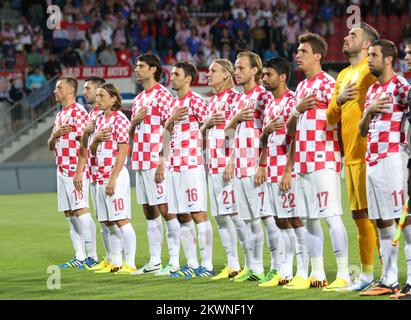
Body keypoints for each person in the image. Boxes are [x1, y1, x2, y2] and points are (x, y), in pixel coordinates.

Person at [286, 33, 350, 291]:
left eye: (303, 51)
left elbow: (340, 119)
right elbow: (290, 128)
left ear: (317, 56)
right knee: (311, 219)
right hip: (302, 162)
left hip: (323, 158)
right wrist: (297, 109)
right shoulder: (300, 88)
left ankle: (344, 274)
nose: (298, 55)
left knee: (331, 216)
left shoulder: (328, 84)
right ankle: (317, 273)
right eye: (297, 50)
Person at [326, 23, 381, 292]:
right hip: (350, 157)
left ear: (367, 44)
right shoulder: (344, 74)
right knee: (360, 217)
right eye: (347, 34)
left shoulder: (369, 71)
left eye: (353, 35)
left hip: (370, 154)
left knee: (379, 218)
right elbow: (329, 117)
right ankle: (369, 275)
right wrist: (339, 100)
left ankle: (387, 276)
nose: (346, 37)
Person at [358, 39, 411, 297]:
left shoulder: (402, 87)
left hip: (393, 158)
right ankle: (388, 279)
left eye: (373, 55)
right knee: (381, 221)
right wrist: (368, 111)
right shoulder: (372, 91)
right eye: (368, 55)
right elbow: (360, 130)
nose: (369, 60)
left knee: (405, 219)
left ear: (388, 59)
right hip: (372, 160)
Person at [256, 57, 309, 288]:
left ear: (283, 77)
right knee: (280, 221)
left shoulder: (291, 101)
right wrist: (262, 163)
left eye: (268, 75)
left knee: (295, 220)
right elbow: (266, 139)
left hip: (289, 171)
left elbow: (297, 137)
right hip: (271, 171)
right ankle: (286, 272)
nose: (264, 78)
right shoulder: (270, 105)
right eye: (264, 75)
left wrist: (289, 169)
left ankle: (304, 272)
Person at [159, 61, 214, 278]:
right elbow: (166, 134)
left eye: (176, 74)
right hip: (174, 166)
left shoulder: (197, 101)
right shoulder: (173, 104)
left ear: (188, 78)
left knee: (198, 212)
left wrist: (202, 154)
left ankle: (207, 265)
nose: (171, 78)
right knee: (182, 215)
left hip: (192, 165)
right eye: (171, 74)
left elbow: (208, 127)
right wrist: (163, 160)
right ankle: (191, 264)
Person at [128, 54, 181, 276]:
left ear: (153, 69)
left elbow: (172, 129)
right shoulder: (139, 99)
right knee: (149, 211)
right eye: (137, 66)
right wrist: (134, 122)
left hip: (155, 160)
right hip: (139, 160)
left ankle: (175, 262)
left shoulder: (163, 96)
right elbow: (130, 132)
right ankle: (155, 261)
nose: (136, 69)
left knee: (166, 209)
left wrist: (163, 159)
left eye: (141, 66)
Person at [224, 51, 273, 282]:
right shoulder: (236, 99)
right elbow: (229, 133)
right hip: (240, 166)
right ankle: (252, 267)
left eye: (241, 68)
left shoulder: (263, 96)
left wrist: (263, 163)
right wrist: (231, 160)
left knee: (265, 217)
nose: (236, 72)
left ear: (255, 70)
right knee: (247, 219)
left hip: (257, 166)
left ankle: (272, 267)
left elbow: (269, 133)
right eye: (235, 67)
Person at [200, 59, 242, 280]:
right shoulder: (211, 101)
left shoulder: (236, 98)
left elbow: (241, 134)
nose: (208, 74)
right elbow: (203, 136)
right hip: (212, 165)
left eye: (213, 71)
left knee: (235, 215)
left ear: (226, 74)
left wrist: (232, 161)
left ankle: (251, 265)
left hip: (229, 166)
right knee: (220, 217)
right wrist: (205, 125)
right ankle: (232, 264)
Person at [47, 77, 95, 269]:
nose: (55, 91)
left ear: (70, 90)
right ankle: (80, 256)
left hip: (76, 170)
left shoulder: (78, 112)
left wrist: (79, 171)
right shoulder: (60, 115)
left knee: (81, 209)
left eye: (58, 87)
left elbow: (85, 145)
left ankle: (91, 256)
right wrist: (54, 135)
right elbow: (51, 145)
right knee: (69, 213)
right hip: (62, 170)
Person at [89, 83, 137, 273]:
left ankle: (130, 263)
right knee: (108, 221)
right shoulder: (99, 119)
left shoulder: (120, 120)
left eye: (102, 95)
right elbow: (93, 150)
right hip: (100, 176)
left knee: (121, 219)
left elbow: (124, 150)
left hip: (114, 177)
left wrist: (113, 179)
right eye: (97, 95)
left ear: (114, 99)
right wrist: (95, 140)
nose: (97, 99)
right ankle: (115, 262)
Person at [73, 77, 106, 271]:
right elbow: (85, 145)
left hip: (108, 173)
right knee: (103, 218)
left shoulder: (111, 115)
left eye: (88, 88)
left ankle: (123, 261)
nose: (84, 92)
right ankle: (105, 259)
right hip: (94, 172)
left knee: (116, 219)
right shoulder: (93, 114)